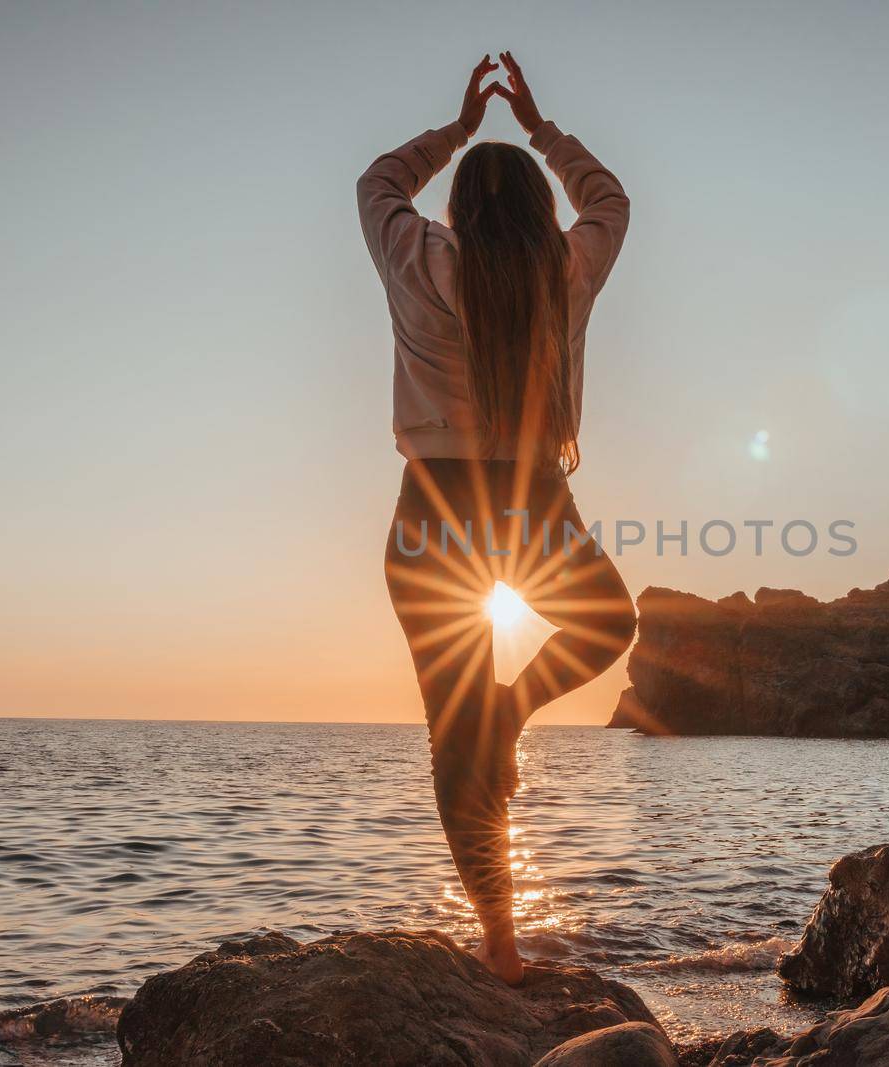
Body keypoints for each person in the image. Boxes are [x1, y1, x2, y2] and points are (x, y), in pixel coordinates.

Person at [358, 53, 637, 985]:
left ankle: (500, 938)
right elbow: (610, 200)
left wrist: (458, 125)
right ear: (533, 208)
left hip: (433, 511)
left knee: (457, 730)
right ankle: (511, 713)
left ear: (461, 208)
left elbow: (379, 183)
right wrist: (542, 128)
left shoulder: (418, 256)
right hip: (530, 500)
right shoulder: (566, 266)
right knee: (606, 624)